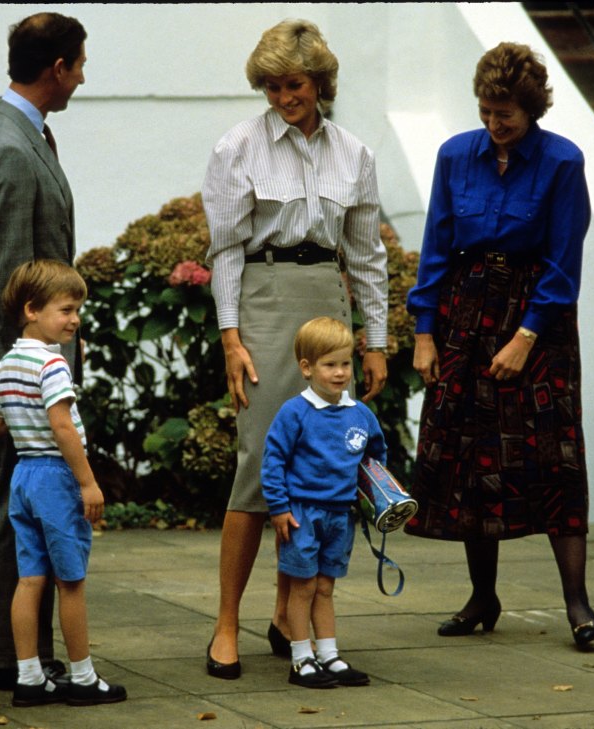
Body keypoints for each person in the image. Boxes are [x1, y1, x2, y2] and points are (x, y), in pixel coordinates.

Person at [201, 18, 390, 679]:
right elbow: (225, 247)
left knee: (322, 460)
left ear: (321, 83)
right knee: (259, 461)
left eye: (297, 85)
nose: (286, 97)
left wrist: (376, 341)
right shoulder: (238, 147)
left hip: (325, 295)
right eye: (275, 86)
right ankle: (226, 623)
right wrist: (230, 336)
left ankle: (289, 616)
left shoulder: (354, 154)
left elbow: (366, 254)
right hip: (263, 295)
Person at [404, 42, 594, 648]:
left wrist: (526, 337)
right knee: (471, 454)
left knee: (554, 455)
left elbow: (564, 262)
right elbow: (436, 244)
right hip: (465, 311)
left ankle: (576, 601)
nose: (495, 124)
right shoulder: (455, 154)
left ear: (532, 108)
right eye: (487, 112)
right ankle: (481, 597)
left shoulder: (563, 161)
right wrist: (424, 332)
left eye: (506, 114)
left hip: (537, 315)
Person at [0, 11, 87, 689]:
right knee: (14, 504)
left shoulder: (14, 130)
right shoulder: (11, 146)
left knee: (9, 500)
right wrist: (26, 374)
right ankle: (8, 656)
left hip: (21, 358)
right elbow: (11, 278)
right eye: (79, 64)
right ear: (57, 68)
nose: (82, 77)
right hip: (20, 360)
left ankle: (6, 652)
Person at [0, 259, 126, 707]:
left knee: (30, 580)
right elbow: (62, 425)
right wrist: (88, 483)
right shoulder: (52, 363)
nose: (75, 318)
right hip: (57, 477)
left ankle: (29, 678)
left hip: (23, 476)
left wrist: (21, 417)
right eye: (65, 310)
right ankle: (83, 678)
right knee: (71, 581)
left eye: (76, 309)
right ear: (32, 309)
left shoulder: (6, 364)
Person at [262, 317, 385, 688]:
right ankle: (302, 659)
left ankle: (329, 655)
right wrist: (279, 508)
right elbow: (273, 462)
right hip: (301, 514)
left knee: (326, 588)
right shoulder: (294, 413)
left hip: (340, 515)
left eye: (345, 363)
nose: (339, 372)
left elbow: (375, 457)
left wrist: (377, 496)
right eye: (329, 365)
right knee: (302, 587)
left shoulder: (360, 413)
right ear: (307, 367)